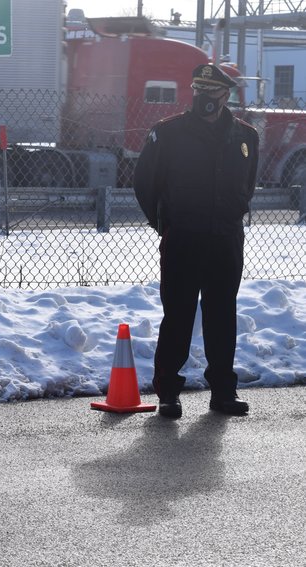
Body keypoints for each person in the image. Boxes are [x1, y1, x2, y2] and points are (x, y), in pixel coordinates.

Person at [134, 63, 259, 419]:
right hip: (183, 239)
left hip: (225, 239)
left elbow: (246, 185)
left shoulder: (246, 136)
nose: (205, 97)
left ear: (225, 95)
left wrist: (231, 213)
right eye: (199, 90)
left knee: (223, 316)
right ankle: (169, 394)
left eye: (213, 91)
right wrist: (165, 225)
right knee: (178, 316)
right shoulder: (168, 133)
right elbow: (145, 183)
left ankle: (223, 392)